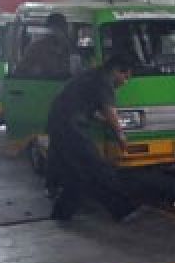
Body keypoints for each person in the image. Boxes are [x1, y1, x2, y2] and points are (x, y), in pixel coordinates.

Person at [45, 54, 142, 222]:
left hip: (59, 123)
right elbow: (109, 110)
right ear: (116, 70)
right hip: (70, 127)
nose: (125, 81)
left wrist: (104, 121)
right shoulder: (104, 81)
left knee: (77, 174)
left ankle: (61, 213)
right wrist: (120, 134)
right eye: (125, 76)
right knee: (98, 168)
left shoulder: (92, 75)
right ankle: (123, 209)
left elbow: (88, 106)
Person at [17, 12, 72, 78]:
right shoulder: (37, 48)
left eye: (62, 28)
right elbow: (20, 71)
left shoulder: (71, 48)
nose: (59, 32)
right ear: (50, 28)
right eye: (55, 28)